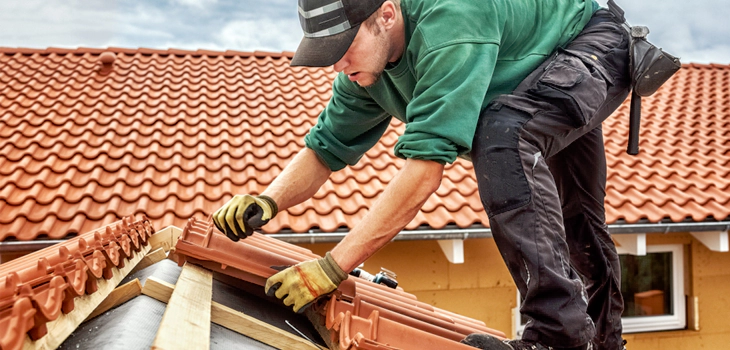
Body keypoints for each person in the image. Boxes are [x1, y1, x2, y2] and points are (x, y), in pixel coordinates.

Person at [212, 0, 632, 349]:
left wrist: (332, 267)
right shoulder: (365, 72)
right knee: (575, 214)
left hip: (591, 44)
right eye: (328, 53)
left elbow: (424, 172)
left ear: (387, 14)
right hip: (536, 73)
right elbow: (324, 149)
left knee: (503, 135)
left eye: (344, 46)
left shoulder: (451, 21)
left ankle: (559, 337)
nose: (338, 63)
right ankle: (595, 341)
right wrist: (268, 199)